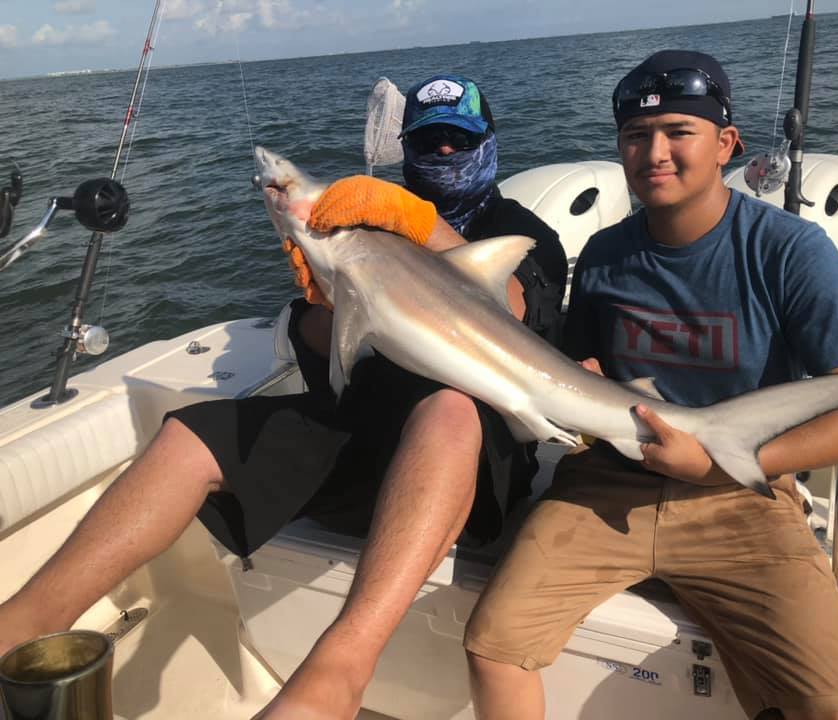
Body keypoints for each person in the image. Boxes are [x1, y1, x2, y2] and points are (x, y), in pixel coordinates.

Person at [0, 73, 566, 720]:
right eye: (428, 140)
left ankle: (339, 669)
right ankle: (19, 624)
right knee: (190, 435)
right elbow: (324, 355)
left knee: (448, 409)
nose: (441, 155)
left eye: (457, 141)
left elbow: (522, 316)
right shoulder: (359, 220)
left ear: (489, 143)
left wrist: (424, 226)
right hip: (363, 426)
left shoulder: (517, 232)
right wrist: (330, 294)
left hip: (471, 456)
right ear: (405, 146)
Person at [463, 51, 838, 720]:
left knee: (837, 706)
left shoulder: (790, 250)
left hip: (740, 495)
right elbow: (586, 371)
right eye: (635, 136)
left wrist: (718, 460)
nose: (653, 152)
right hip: (607, 485)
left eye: (677, 132)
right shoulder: (605, 253)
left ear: (727, 144)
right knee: (492, 644)